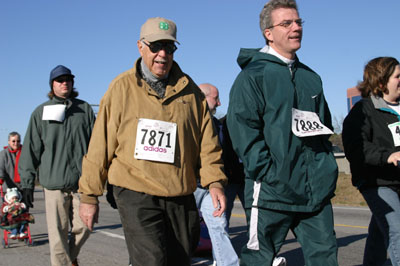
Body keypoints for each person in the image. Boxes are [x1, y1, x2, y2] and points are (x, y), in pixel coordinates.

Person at [78, 17, 227, 266]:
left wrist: (215, 182)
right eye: (156, 46)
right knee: (151, 260)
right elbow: (99, 145)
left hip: (179, 190)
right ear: (140, 46)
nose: (162, 54)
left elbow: (208, 144)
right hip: (134, 188)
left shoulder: (190, 91)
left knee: (180, 258)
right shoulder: (120, 88)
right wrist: (89, 196)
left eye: (169, 48)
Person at [226, 0, 339, 265]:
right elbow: (244, 131)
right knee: (258, 260)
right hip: (272, 190)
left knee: (326, 258)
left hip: (315, 191)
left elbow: (323, 128)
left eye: (298, 22)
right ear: (268, 33)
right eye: (286, 23)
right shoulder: (253, 76)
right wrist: (268, 173)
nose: (295, 28)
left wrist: (325, 168)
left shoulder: (311, 77)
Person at [19, 65, 95, 266]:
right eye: (60, 80)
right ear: (52, 85)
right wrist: (26, 183)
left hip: (82, 184)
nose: (65, 83)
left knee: (86, 226)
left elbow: (96, 145)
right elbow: (31, 149)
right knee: (57, 238)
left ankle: (69, 258)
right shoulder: (40, 113)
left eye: (68, 79)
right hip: (54, 185)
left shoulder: (84, 110)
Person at [342, 56, 400, 266]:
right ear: (381, 81)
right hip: (377, 182)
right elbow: (356, 148)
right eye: (398, 76)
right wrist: (388, 156)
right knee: (397, 230)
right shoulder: (363, 110)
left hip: (398, 179)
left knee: (379, 231)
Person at [196, 83, 239, 266]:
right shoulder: (185, 119)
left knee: (218, 222)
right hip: (186, 186)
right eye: (216, 98)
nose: (220, 103)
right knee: (176, 232)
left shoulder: (216, 124)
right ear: (203, 98)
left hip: (210, 187)